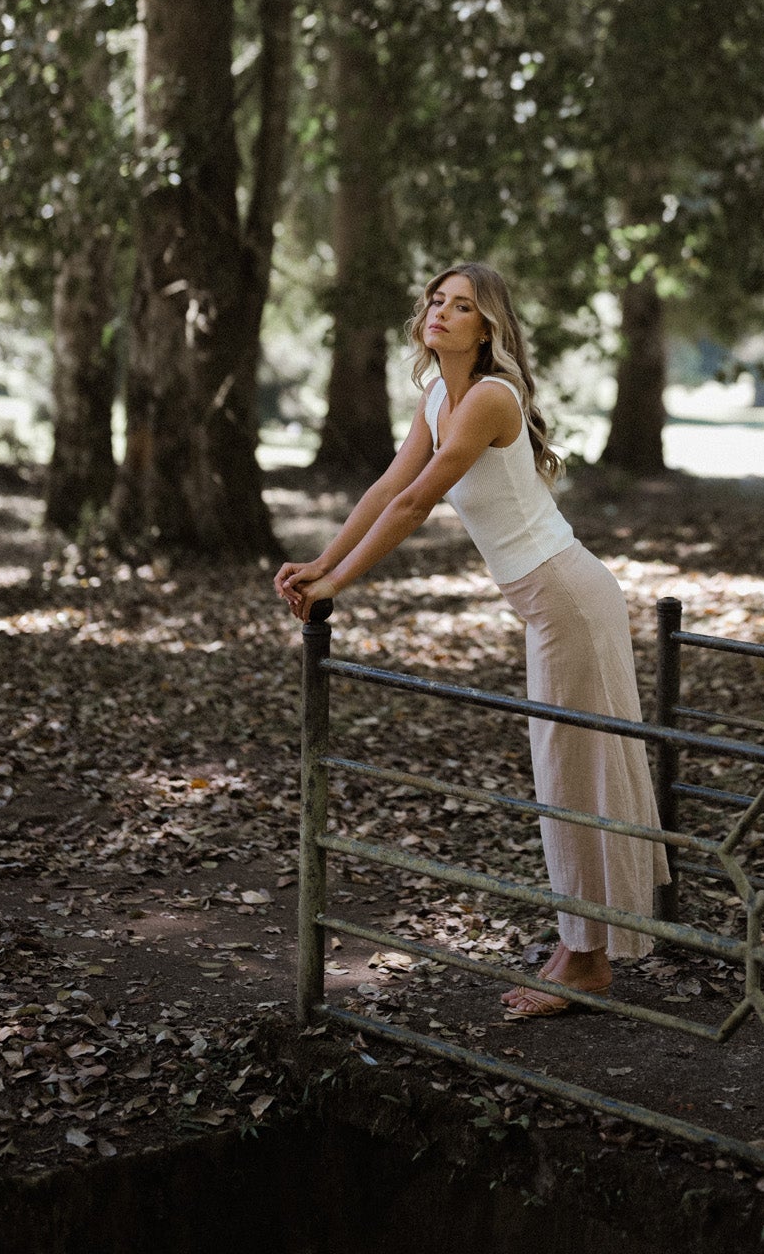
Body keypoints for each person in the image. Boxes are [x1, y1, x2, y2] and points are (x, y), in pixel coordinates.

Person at [275, 263, 669, 1018]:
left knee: (570, 772)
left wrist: (335, 589)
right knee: (563, 769)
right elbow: (389, 487)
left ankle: (583, 962)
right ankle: (578, 950)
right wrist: (321, 562)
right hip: (549, 601)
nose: (441, 313)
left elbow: (420, 503)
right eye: (436, 300)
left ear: (486, 328)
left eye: (462, 307)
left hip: (568, 599)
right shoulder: (436, 397)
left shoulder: (489, 398)